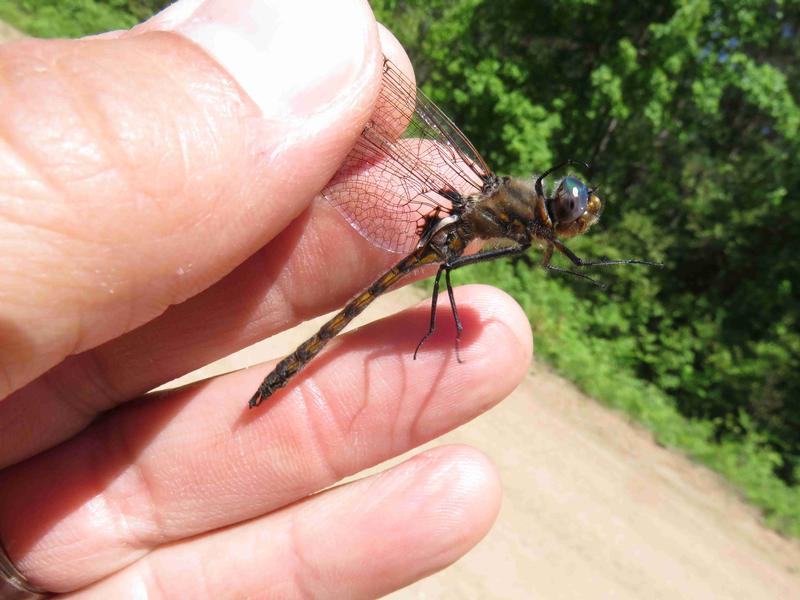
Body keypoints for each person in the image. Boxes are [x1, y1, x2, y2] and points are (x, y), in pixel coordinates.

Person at [0, 0, 531, 596]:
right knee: (415, 287)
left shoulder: (521, 219)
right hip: (441, 232)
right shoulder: (503, 201)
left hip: (445, 233)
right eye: (564, 202)